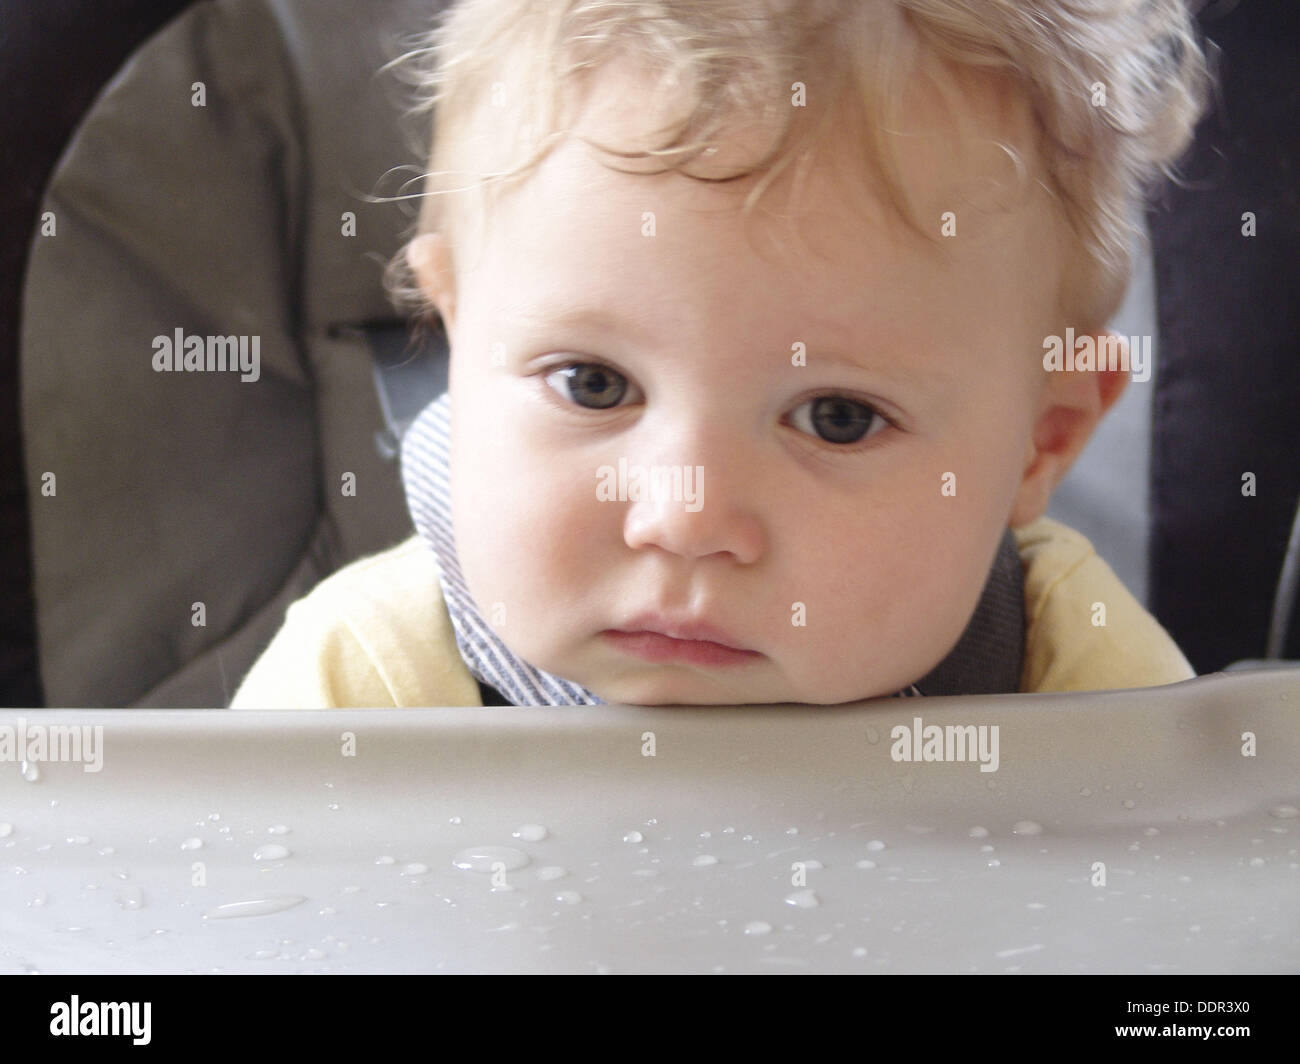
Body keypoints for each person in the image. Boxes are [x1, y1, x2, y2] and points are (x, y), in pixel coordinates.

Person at [232, 0, 1208, 708]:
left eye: (838, 416)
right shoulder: (367, 687)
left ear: (1043, 437)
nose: (685, 519)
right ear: (456, 335)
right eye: (594, 384)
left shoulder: (1075, 682)